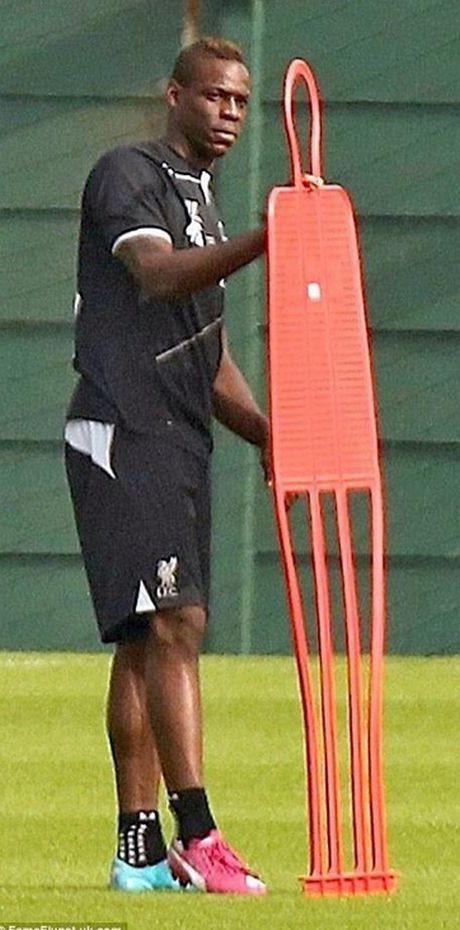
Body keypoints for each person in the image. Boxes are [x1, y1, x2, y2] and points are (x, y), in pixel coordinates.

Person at [64, 37, 268, 895]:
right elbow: (154, 276)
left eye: (241, 101)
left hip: (177, 435)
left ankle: (139, 853)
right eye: (215, 95)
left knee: (148, 635)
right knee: (176, 623)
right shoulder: (129, 173)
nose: (229, 112)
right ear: (174, 94)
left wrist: (269, 435)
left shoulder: (205, 204)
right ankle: (200, 834)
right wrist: (269, 240)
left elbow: (207, 355)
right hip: (122, 425)